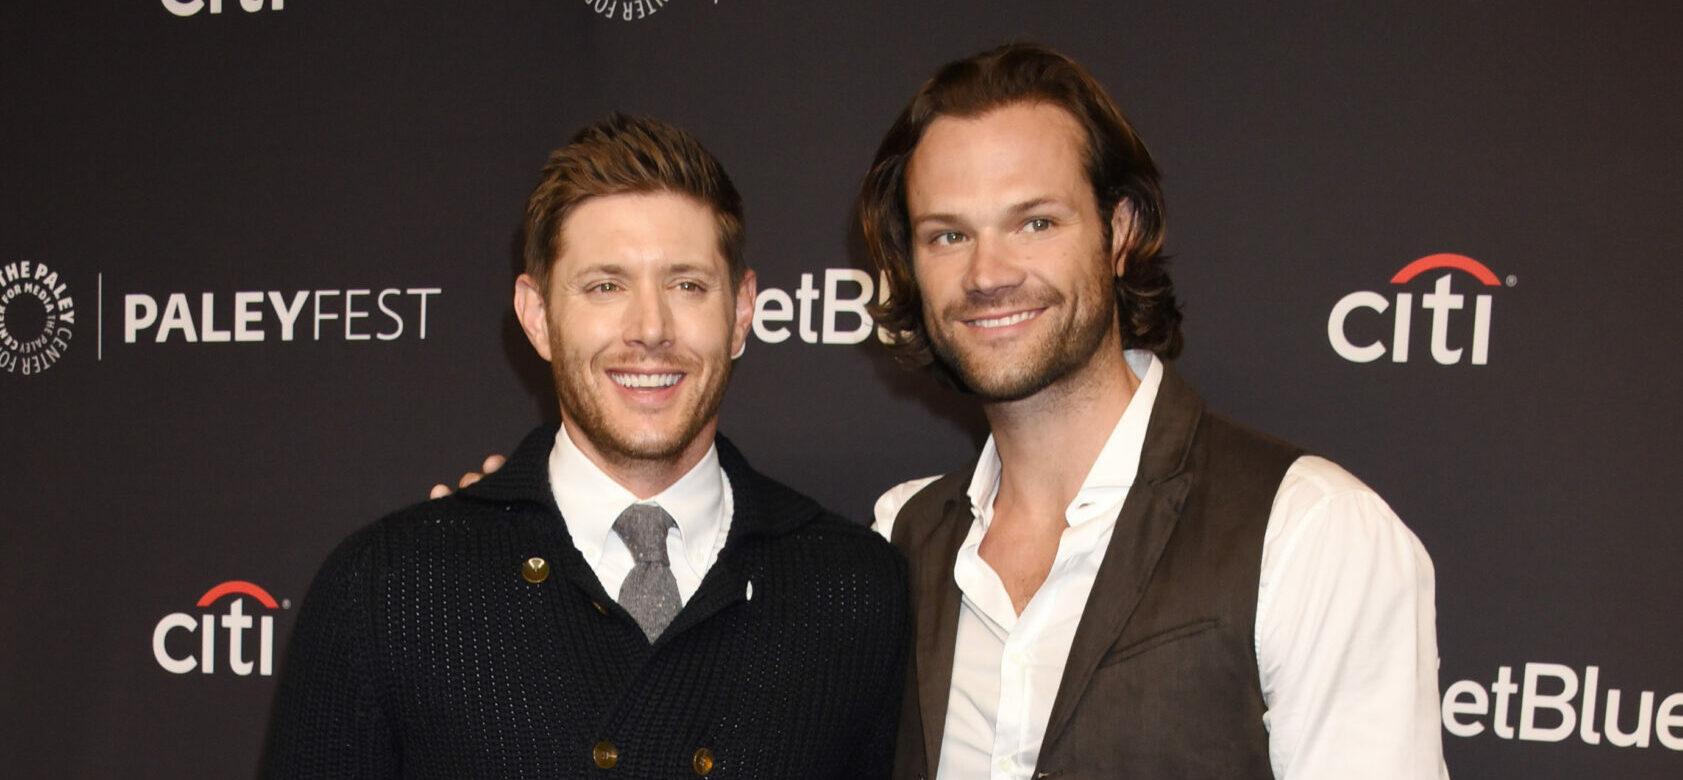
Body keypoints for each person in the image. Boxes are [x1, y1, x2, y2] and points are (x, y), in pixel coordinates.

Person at [858, 44, 1447, 778]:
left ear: (1123, 231)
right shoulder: (901, 538)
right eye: (948, 235)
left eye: (1035, 223)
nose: (987, 274)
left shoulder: (1308, 529)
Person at [263, 114, 907, 778]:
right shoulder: (391, 587)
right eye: (606, 286)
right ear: (538, 316)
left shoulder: (851, 589)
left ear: (741, 312)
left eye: (687, 285)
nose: (650, 329)